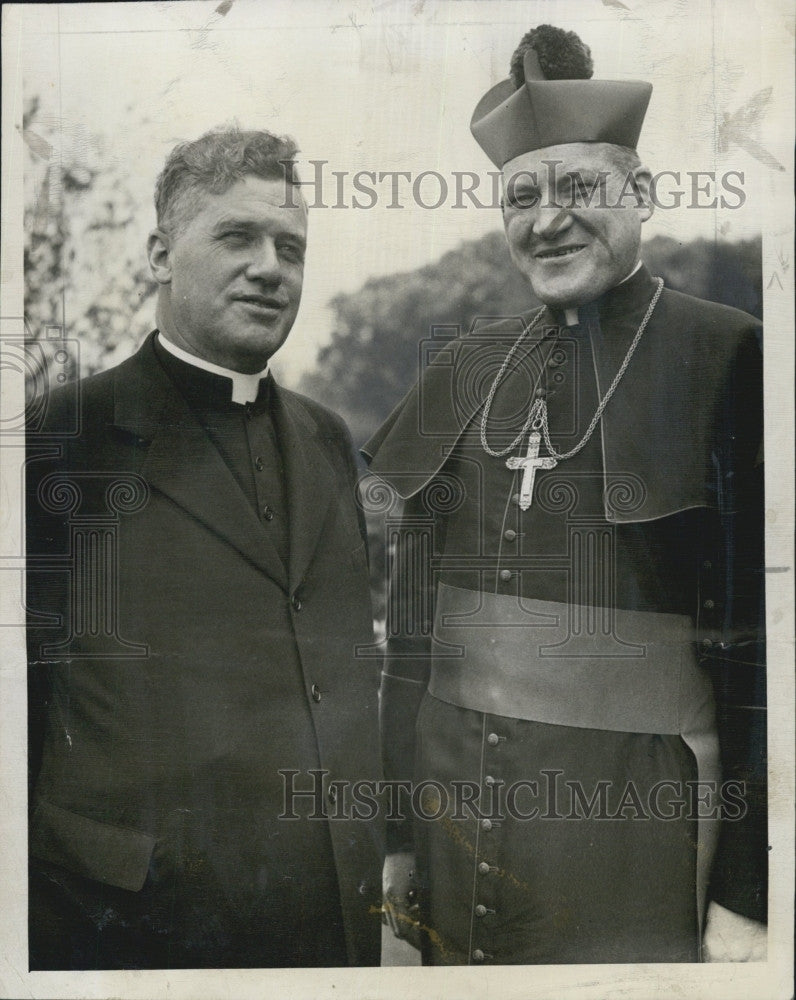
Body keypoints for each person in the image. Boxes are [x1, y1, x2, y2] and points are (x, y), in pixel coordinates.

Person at [363, 25, 766, 964]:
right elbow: (408, 637)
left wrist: (749, 890)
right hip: (453, 810)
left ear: (645, 194)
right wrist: (391, 835)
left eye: (579, 187)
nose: (547, 221)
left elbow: (765, 652)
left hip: (638, 823)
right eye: (521, 196)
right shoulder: (464, 367)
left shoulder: (732, 353)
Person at [26, 127, 383, 969]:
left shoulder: (328, 439)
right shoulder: (58, 441)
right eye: (237, 237)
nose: (270, 267)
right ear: (158, 254)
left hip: (327, 926)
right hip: (136, 929)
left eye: (290, 248)